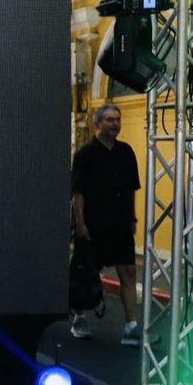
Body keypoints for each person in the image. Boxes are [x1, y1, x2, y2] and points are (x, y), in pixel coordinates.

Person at [71, 103, 145, 346]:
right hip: (93, 224)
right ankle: (79, 318)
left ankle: (131, 326)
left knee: (128, 271)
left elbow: (132, 189)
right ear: (98, 124)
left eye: (117, 120)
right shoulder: (85, 155)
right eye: (110, 120)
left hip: (121, 225)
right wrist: (80, 224)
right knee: (85, 274)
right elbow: (78, 193)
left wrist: (132, 218)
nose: (115, 124)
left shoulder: (126, 152)